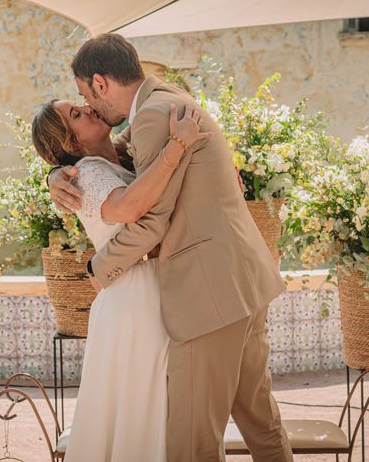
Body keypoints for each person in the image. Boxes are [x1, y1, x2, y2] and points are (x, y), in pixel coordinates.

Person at [48, 33, 294, 462]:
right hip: (244, 283)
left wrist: (97, 267)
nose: (88, 105)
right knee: (261, 422)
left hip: (208, 296)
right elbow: (114, 158)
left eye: (85, 94)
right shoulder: (167, 100)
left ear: (101, 84)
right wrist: (56, 172)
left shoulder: (150, 118)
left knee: (192, 442)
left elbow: (151, 221)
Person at [32, 98, 209, 461]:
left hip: (149, 291)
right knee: (145, 414)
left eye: (81, 103)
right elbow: (129, 207)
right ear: (67, 144)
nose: (88, 108)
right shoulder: (87, 174)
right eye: (76, 115)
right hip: (136, 301)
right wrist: (178, 146)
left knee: (156, 412)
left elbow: (141, 102)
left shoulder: (118, 153)